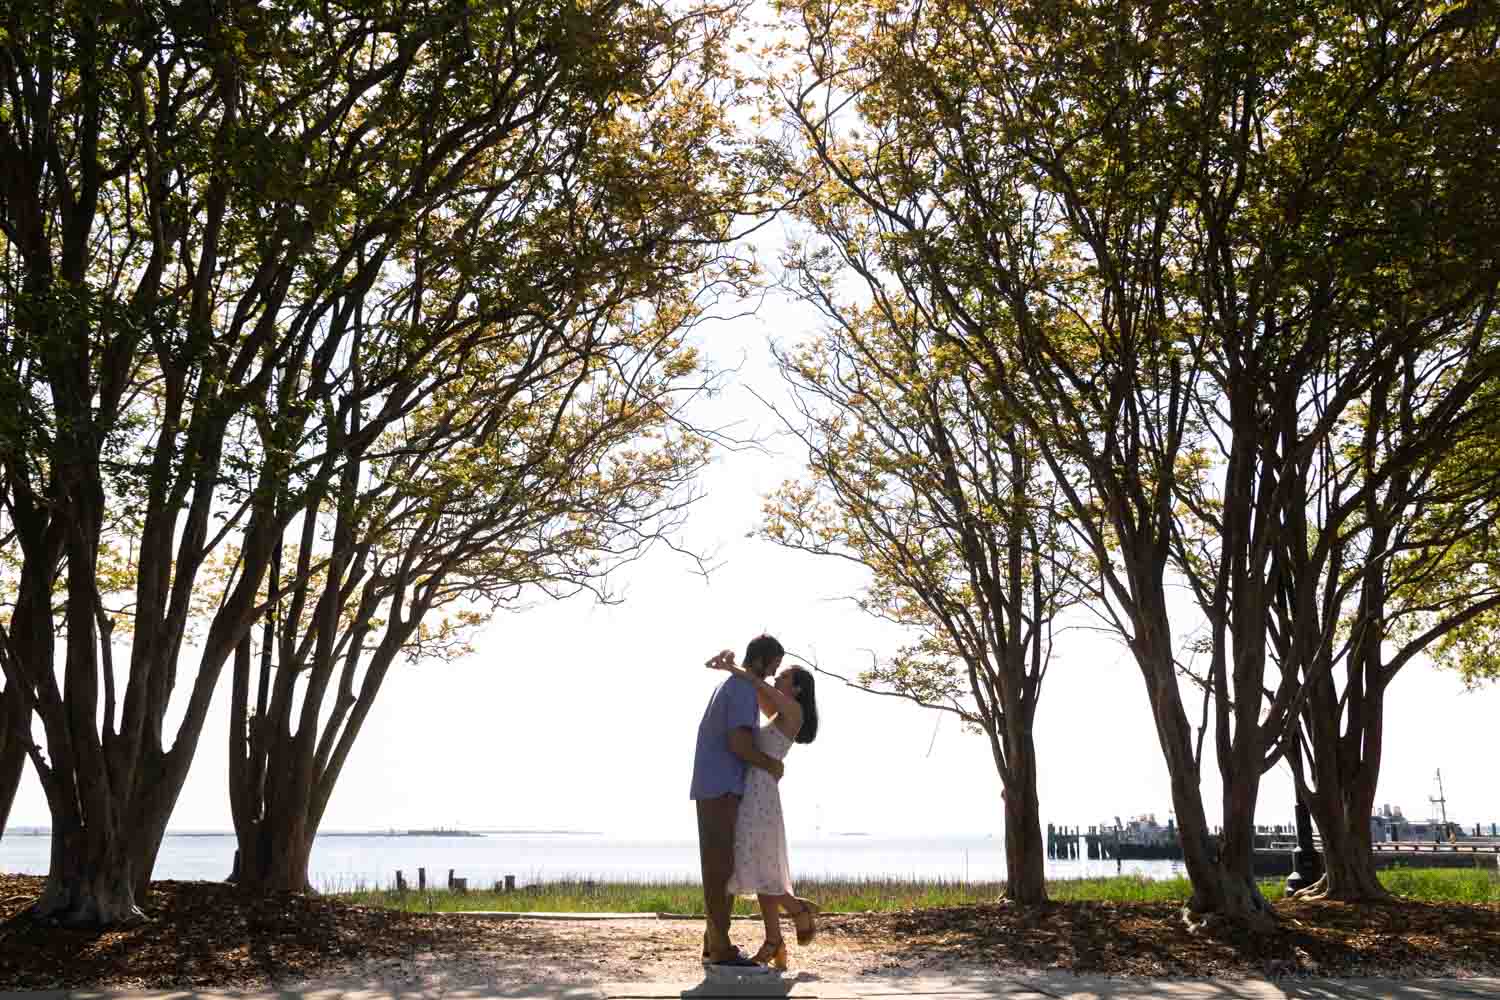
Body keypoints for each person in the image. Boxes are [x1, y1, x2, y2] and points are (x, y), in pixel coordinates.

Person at [707, 649, 821, 971]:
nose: (777, 677)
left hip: (762, 791)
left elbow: (757, 682)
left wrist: (731, 667)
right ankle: (776, 939)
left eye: (783, 676)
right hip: (754, 787)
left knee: (761, 863)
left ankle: (797, 914)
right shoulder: (777, 710)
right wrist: (731, 668)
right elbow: (755, 688)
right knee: (760, 863)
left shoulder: (793, 709)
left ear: (796, 687)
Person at [690, 634, 786, 969]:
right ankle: (720, 948)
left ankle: (713, 942)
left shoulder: (733, 685)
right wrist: (771, 764)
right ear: (761, 660)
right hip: (721, 787)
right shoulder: (743, 690)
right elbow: (739, 744)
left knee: (720, 867)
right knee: (720, 870)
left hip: (714, 785)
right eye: (774, 665)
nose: (774, 674)